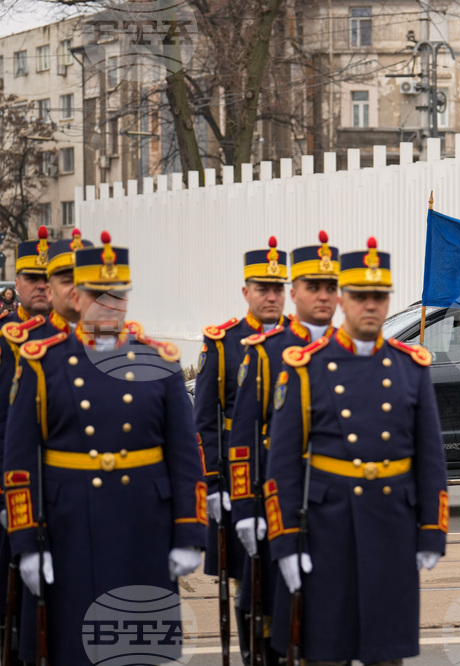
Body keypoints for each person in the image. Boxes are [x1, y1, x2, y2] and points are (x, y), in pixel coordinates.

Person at [3, 231, 206, 664]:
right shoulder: (42, 362)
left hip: (143, 530)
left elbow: (185, 456)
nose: (108, 304)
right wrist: (26, 541)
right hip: (70, 530)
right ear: (77, 298)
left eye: (117, 294)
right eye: (97, 293)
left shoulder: (159, 360)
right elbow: (20, 463)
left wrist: (189, 531)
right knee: (73, 649)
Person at [265, 237, 448, 664]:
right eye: (360, 296)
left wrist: (432, 531)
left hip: (392, 528)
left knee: (385, 654)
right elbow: (283, 466)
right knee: (328, 650)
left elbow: (430, 459)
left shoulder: (411, 366)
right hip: (327, 530)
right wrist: (285, 541)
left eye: (379, 297)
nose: (370, 305)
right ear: (343, 300)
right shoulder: (305, 366)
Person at [228, 231, 338, 663]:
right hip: (277, 500)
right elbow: (243, 438)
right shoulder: (267, 351)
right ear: (296, 293)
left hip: (334, 502)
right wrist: (245, 508)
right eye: (314, 286)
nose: (324, 296)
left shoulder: (350, 349)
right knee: (274, 615)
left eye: (331, 287)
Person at [193, 235, 288, 662]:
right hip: (240, 478)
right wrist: (213, 483)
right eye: (262, 289)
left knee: (283, 574)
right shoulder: (223, 342)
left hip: (286, 476)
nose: (271, 297)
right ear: (245, 291)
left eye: (277, 288)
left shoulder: (300, 340)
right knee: (247, 578)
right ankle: (254, 654)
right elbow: (205, 421)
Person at [0, 227, 54, 659]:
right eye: (32, 278)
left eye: (47, 278)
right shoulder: (5, 335)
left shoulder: (74, 336)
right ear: (16, 282)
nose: (40, 286)